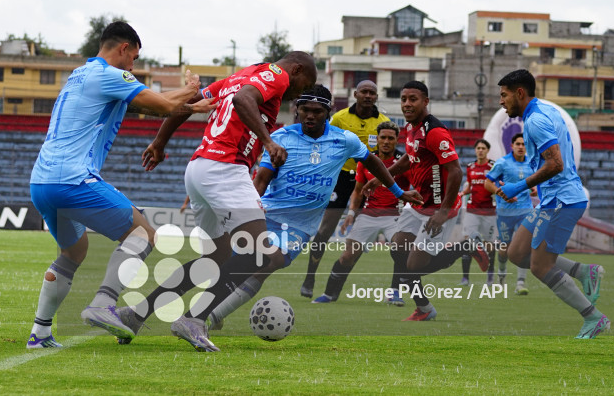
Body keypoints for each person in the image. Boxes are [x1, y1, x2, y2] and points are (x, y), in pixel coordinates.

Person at [25, 21, 214, 349]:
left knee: (74, 251)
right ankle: (103, 302)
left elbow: (149, 108)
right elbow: (165, 105)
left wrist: (192, 105)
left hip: (41, 181)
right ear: (123, 48)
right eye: (134, 58)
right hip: (73, 179)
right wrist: (192, 88)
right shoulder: (111, 75)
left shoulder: (80, 75)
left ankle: (40, 333)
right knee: (144, 234)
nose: (134, 66)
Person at [115, 51, 318, 352]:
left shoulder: (238, 76)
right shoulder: (277, 75)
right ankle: (195, 319)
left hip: (199, 169)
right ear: (297, 69)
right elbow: (243, 101)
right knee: (259, 253)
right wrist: (268, 141)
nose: (297, 93)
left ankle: (135, 314)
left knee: (216, 258)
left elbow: (189, 106)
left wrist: (160, 142)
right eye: (303, 85)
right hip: (225, 168)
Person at [204, 88, 421, 329]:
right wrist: (248, 212)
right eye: (305, 110)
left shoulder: (345, 140)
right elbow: (262, 180)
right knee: (243, 264)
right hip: (266, 215)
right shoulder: (282, 138)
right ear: (297, 110)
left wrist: (399, 193)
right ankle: (213, 313)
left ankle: (209, 316)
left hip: (300, 225)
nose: (309, 116)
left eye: (317, 111)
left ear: (328, 113)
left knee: (272, 260)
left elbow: (373, 161)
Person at [497, 69, 608, 339]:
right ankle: (584, 272)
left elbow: (555, 164)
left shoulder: (535, 120)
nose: (501, 102)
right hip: (553, 199)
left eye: (504, 95)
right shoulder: (544, 110)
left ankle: (593, 318)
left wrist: (519, 185)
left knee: (539, 266)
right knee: (516, 253)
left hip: (562, 200)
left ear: (520, 93)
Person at [363, 81, 488, 321]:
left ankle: (466, 246)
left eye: (413, 99)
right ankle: (424, 309)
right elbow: (408, 161)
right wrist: (381, 179)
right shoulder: (411, 128)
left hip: (440, 208)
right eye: (403, 99)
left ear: (426, 101)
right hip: (419, 203)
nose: (407, 104)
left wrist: (443, 212)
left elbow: (456, 171)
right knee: (398, 252)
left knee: (414, 266)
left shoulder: (435, 132)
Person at [300, 80, 390, 298]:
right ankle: (310, 276)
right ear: (355, 94)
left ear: (376, 97)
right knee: (325, 230)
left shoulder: (383, 122)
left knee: (359, 238)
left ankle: (336, 284)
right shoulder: (340, 118)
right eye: (364, 92)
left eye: (372, 93)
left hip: (367, 181)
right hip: (340, 178)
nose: (368, 96)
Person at [311, 121, 412, 305]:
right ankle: (329, 294)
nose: (387, 141)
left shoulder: (404, 162)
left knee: (400, 251)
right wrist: (351, 213)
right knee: (347, 256)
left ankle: (395, 292)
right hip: (368, 214)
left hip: (395, 216)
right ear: (377, 139)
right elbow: (357, 190)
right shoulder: (366, 160)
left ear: (397, 140)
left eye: (391, 138)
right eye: (383, 137)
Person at [484, 133, 534, 295]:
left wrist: (533, 190)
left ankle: (520, 283)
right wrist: (501, 193)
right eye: (517, 144)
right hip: (505, 212)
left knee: (523, 247)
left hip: (525, 210)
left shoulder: (532, 164)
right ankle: (502, 277)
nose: (521, 147)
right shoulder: (502, 163)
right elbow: (487, 183)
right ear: (511, 146)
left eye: (523, 144)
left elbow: (534, 186)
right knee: (504, 249)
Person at [459, 139, 497, 286]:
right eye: (478, 148)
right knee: (468, 243)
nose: (480, 150)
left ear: (487, 150)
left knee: (489, 245)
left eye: (483, 148)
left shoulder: (493, 166)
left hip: (489, 211)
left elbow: (497, 184)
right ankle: (465, 278)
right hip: (472, 210)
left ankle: (490, 277)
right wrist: (463, 193)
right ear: (475, 150)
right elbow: (470, 186)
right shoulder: (470, 167)